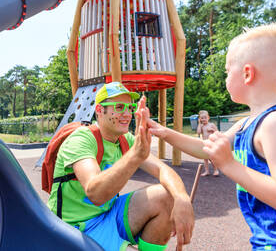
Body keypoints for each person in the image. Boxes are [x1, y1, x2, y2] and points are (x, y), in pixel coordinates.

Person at [147, 23, 276, 250]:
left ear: (247, 73)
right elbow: (205, 149)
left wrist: (229, 164)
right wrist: (163, 132)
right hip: (270, 241)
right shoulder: (247, 123)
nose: (226, 77)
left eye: (228, 71)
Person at [47, 82, 194, 251]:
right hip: (75, 227)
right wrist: (135, 155)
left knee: (167, 195)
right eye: (118, 107)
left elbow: (163, 170)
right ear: (100, 111)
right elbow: (96, 194)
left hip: (108, 215)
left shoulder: (126, 140)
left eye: (130, 108)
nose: (127, 114)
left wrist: (182, 199)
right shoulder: (80, 139)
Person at [196, 110, 219, 176]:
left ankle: (216, 170)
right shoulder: (202, 126)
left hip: (212, 143)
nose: (203, 119)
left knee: (212, 158)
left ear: (208, 117)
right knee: (205, 158)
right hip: (205, 143)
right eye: (202, 118)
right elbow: (198, 132)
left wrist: (213, 130)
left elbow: (217, 133)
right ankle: (207, 171)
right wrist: (199, 124)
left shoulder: (211, 125)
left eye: (205, 117)